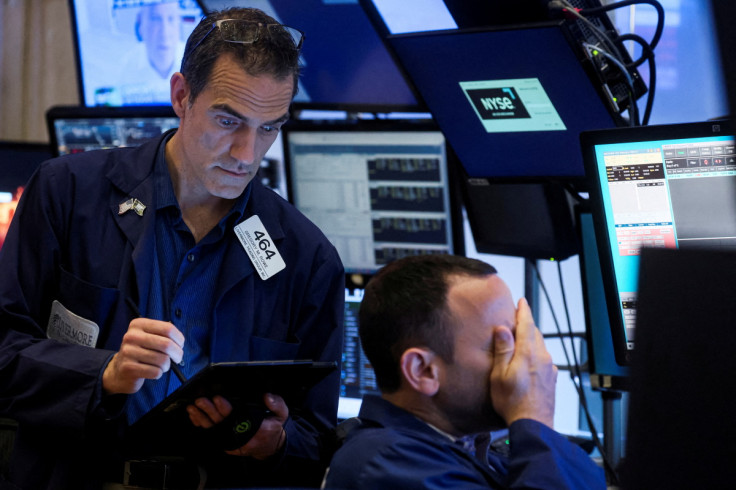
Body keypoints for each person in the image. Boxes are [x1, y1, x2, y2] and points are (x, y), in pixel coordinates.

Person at [0, 7, 344, 490]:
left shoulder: (308, 258)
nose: (247, 153)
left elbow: (317, 438)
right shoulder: (69, 193)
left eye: (269, 127)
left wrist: (276, 443)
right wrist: (103, 374)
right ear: (181, 96)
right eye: (229, 120)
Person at [322, 254, 605, 489]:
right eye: (501, 345)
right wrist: (535, 417)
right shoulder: (388, 466)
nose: (525, 363)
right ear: (423, 371)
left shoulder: (469, 450)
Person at [115, 1, 186, 105]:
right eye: (155, 19)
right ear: (140, 26)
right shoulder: (126, 67)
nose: (164, 33)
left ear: (179, 25)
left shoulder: (198, 62)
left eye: (171, 19)